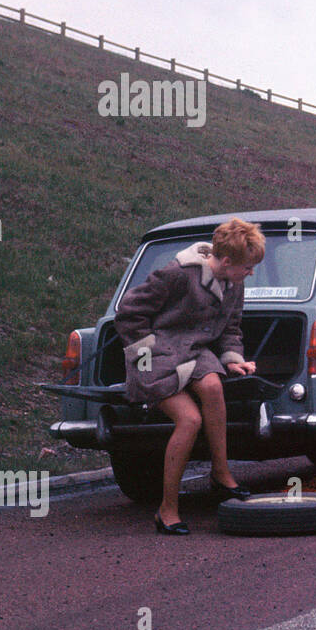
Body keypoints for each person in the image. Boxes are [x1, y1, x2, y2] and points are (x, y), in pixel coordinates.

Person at [114, 218, 265, 534]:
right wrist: (148, 356)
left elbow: (232, 327)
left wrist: (232, 359)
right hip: (156, 355)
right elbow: (128, 313)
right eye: (247, 267)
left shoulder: (234, 282)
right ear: (226, 261)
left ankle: (220, 474)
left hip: (194, 352)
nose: (250, 273)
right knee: (190, 420)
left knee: (213, 385)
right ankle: (167, 510)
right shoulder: (178, 274)